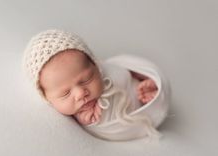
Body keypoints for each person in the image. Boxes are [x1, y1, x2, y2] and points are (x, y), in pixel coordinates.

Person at [23, 29, 169, 141]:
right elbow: (114, 131)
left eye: (86, 79)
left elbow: (124, 69)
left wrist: (146, 78)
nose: (80, 93)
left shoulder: (108, 70)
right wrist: (92, 123)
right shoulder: (87, 117)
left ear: (96, 65)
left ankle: (153, 90)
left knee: (151, 83)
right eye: (65, 93)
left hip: (138, 86)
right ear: (47, 99)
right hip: (140, 116)